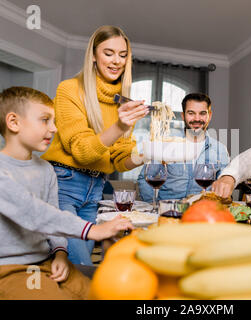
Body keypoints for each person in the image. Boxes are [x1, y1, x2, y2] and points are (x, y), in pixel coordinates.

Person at [0, 87, 134, 300]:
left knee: (101, 294)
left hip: (46, 263)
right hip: (5, 272)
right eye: (45, 120)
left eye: (54, 121)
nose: (54, 128)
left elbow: (52, 216)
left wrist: (60, 253)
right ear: (13, 122)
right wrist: (92, 230)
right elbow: (32, 212)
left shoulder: (45, 169)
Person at [41, 26, 148, 265]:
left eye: (123, 55)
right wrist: (120, 126)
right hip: (63, 184)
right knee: (81, 265)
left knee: (76, 268)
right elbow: (82, 150)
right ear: (93, 55)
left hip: (96, 189)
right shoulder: (69, 90)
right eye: (108, 53)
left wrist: (147, 153)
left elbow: (120, 158)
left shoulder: (123, 100)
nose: (116, 61)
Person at [137, 93, 230, 202]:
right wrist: (153, 205)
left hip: (202, 212)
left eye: (202, 113)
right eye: (191, 113)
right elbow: (145, 179)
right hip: (169, 211)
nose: (197, 118)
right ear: (183, 116)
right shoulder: (166, 144)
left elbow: (224, 185)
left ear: (209, 115)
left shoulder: (220, 150)